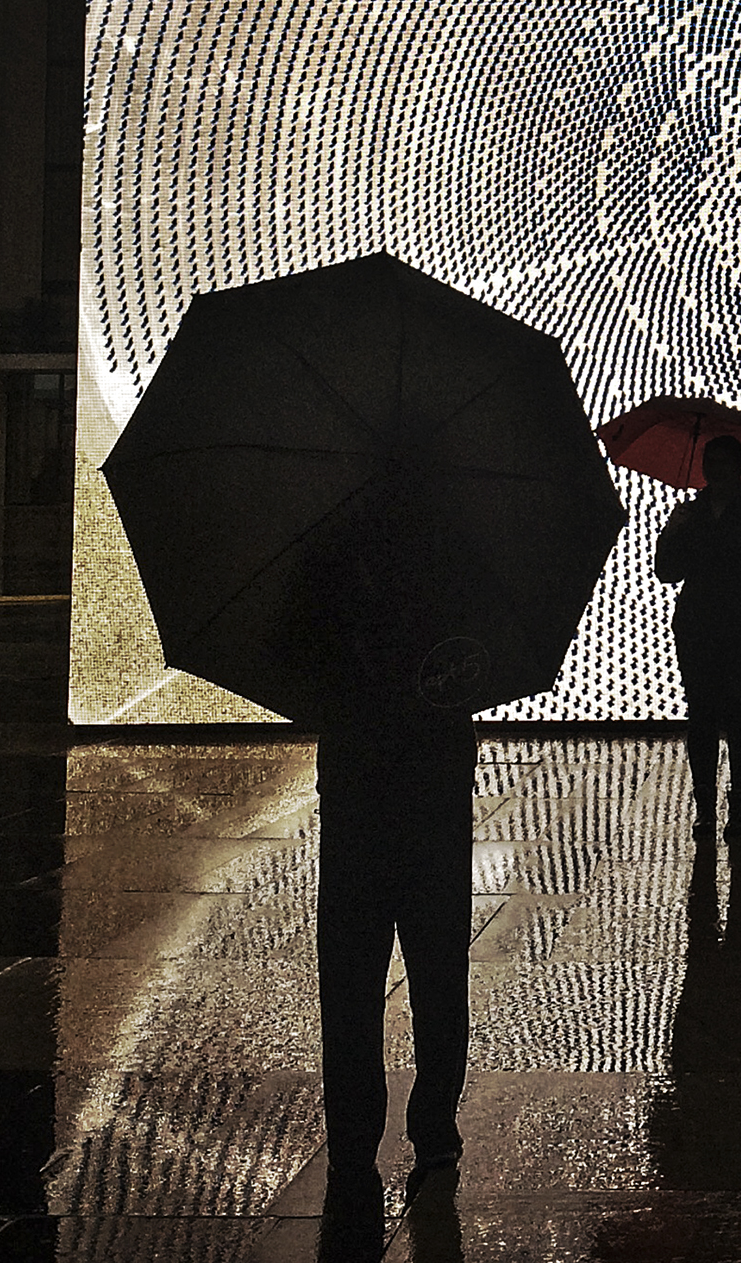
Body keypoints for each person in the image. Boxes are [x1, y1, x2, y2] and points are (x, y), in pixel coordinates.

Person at [312, 502, 477, 1212]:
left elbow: (302, 669)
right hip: (429, 794)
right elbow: (471, 671)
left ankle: (355, 1134)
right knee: (437, 970)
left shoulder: (325, 566)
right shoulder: (457, 567)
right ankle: (432, 1123)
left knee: (351, 978)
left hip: (359, 794)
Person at [654, 434, 741, 842]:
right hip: (698, 625)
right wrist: (672, 534)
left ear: (737, 467)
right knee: (701, 715)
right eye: (709, 462)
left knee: (739, 715)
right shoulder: (690, 516)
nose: (715, 470)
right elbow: (667, 572)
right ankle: (706, 808)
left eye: (722, 462)